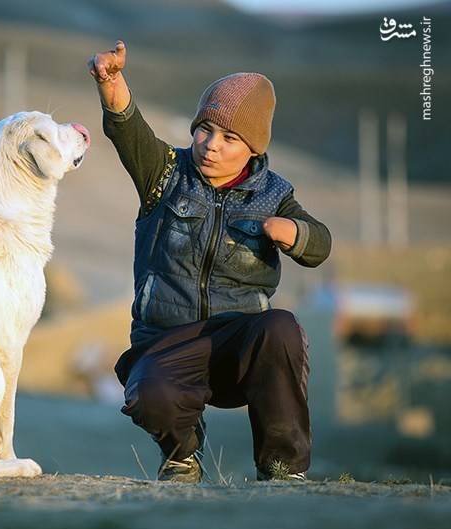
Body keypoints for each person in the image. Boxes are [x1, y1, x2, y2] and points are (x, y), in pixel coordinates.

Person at [87, 41, 332, 482]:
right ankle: (182, 455)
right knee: (150, 394)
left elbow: (321, 244)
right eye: (205, 130)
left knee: (282, 328)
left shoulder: (275, 194)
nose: (211, 146)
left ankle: (282, 468)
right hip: (167, 342)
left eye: (229, 137)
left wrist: (294, 233)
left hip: (238, 346)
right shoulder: (164, 174)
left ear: (253, 148)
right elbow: (128, 131)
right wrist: (111, 81)